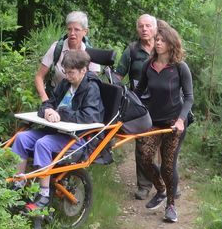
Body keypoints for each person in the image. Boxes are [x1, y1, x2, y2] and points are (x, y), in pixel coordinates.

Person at [13, 50, 104, 210]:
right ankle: (18, 184)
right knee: (21, 138)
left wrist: (59, 114)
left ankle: (44, 194)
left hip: (78, 139)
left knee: (43, 144)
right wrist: (47, 111)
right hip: (57, 132)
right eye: (65, 72)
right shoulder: (65, 84)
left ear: (84, 70)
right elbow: (49, 103)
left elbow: (89, 116)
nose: (67, 76)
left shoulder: (91, 88)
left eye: (71, 72)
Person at [135, 21, 193, 224]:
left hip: (173, 123)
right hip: (153, 121)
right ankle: (160, 189)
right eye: (156, 40)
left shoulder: (179, 68)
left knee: (169, 165)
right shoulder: (148, 66)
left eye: (161, 40)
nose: (157, 43)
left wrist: (181, 120)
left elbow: (189, 97)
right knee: (145, 157)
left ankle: (170, 205)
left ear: (171, 43)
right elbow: (138, 92)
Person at [114, 14, 157, 200]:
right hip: (141, 104)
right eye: (141, 26)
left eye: (148, 26)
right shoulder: (132, 50)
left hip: (164, 103)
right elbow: (118, 74)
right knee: (142, 146)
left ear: (155, 29)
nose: (144, 29)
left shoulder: (164, 46)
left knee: (166, 145)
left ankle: (168, 182)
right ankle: (144, 186)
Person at [34, 11, 101, 104]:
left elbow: (93, 83)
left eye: (76, 29)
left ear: (85, 31)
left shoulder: (91, 53)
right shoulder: (56, 48)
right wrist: (45, 100)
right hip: (55, 99)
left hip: (80, 103)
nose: (72, 33)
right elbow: (39, 77)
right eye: (69, 29)